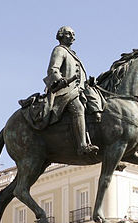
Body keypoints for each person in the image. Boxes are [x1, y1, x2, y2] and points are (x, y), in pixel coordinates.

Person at [43, 26, 103, 155]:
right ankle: (82, 146)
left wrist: (88, 82)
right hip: (65, 91)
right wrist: (60, 79)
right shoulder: (59, 50)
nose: (73, 37)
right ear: (61, 35)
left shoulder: (73, 54)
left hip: (79, 90)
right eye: (69, 34)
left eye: (73, 34)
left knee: (98, 104)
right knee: (78, 109)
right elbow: (53, 69)